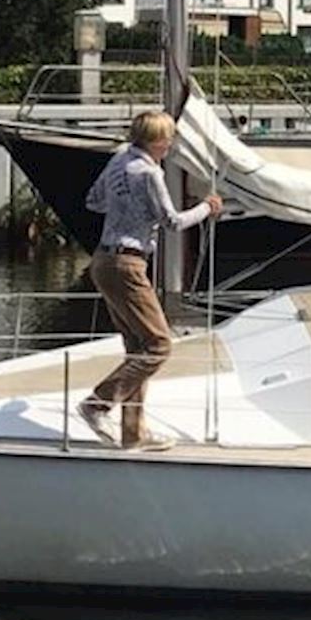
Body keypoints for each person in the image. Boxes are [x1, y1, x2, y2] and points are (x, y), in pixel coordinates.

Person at [79, 110, 223, 449]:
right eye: (169, 138)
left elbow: (94, 201)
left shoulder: (118, 161)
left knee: (137, 349)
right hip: (128, 264)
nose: (171, 144)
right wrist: (207, 207)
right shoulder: (150, 173)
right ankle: (97, 404)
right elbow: (172, 223)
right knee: (159, 345)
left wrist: (127, 210)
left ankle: (133, 434)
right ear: (158, 141)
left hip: (103, 259)